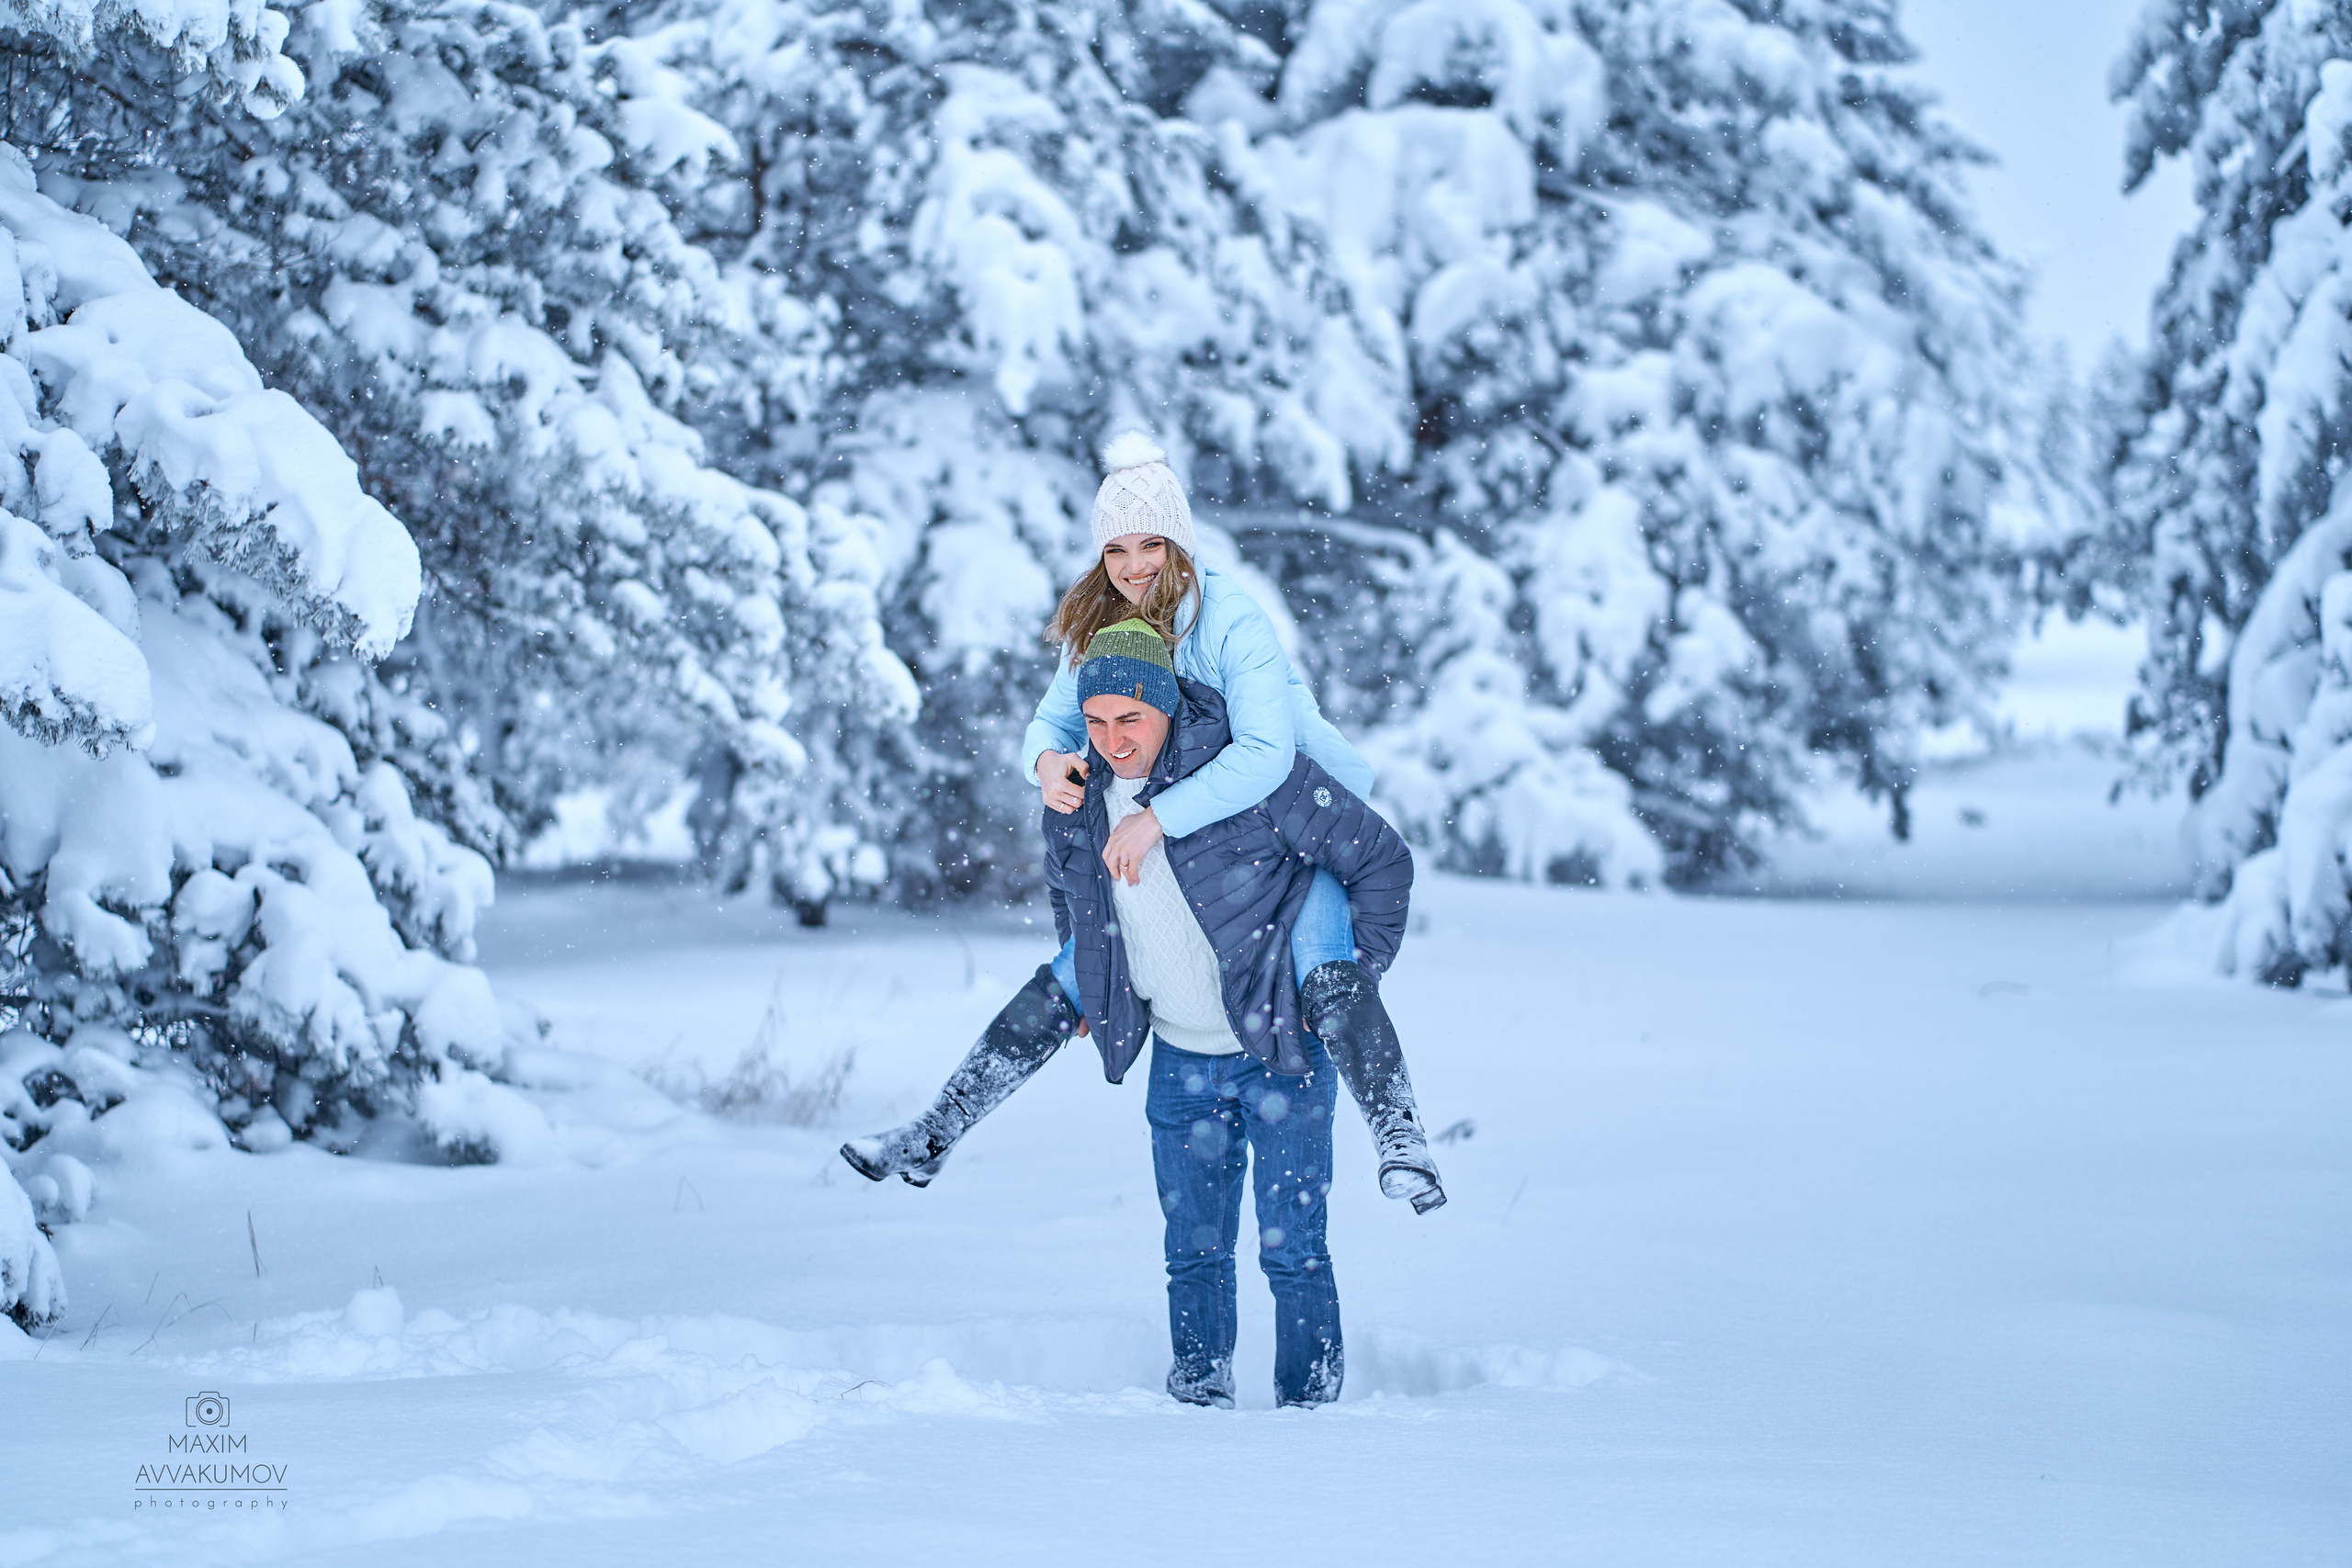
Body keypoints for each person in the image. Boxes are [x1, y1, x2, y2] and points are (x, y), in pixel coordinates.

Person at [841, 434, 1443, 1209]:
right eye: (1117, 548)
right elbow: (1051, 725)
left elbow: (1266, 754)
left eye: (1151, 543)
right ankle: (936, 1129)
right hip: (1203, 838)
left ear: (1180, 541)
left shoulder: (1230, 620)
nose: (1134, 565)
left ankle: (1401, 1135)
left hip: (1299, 820)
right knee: (1067, 977)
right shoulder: (1103, 622)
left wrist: (1153, 818)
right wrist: (1046, 766)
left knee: (1325, 958)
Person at [1064, 620, 1419, 1404]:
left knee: (1295, 1255)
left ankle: (1311, 1407)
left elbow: (1383, 859)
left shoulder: (1254, 773)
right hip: (1179, 1063)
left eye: (1132, 718)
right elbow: (1078, 899)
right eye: (1097, 721)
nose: (1115, 740)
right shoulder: (1080, 797)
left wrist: (1349, 979)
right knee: (1192, 1254)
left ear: (1167, 705)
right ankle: (1196, 1399)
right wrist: (1096, 986)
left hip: (1282, 1055)